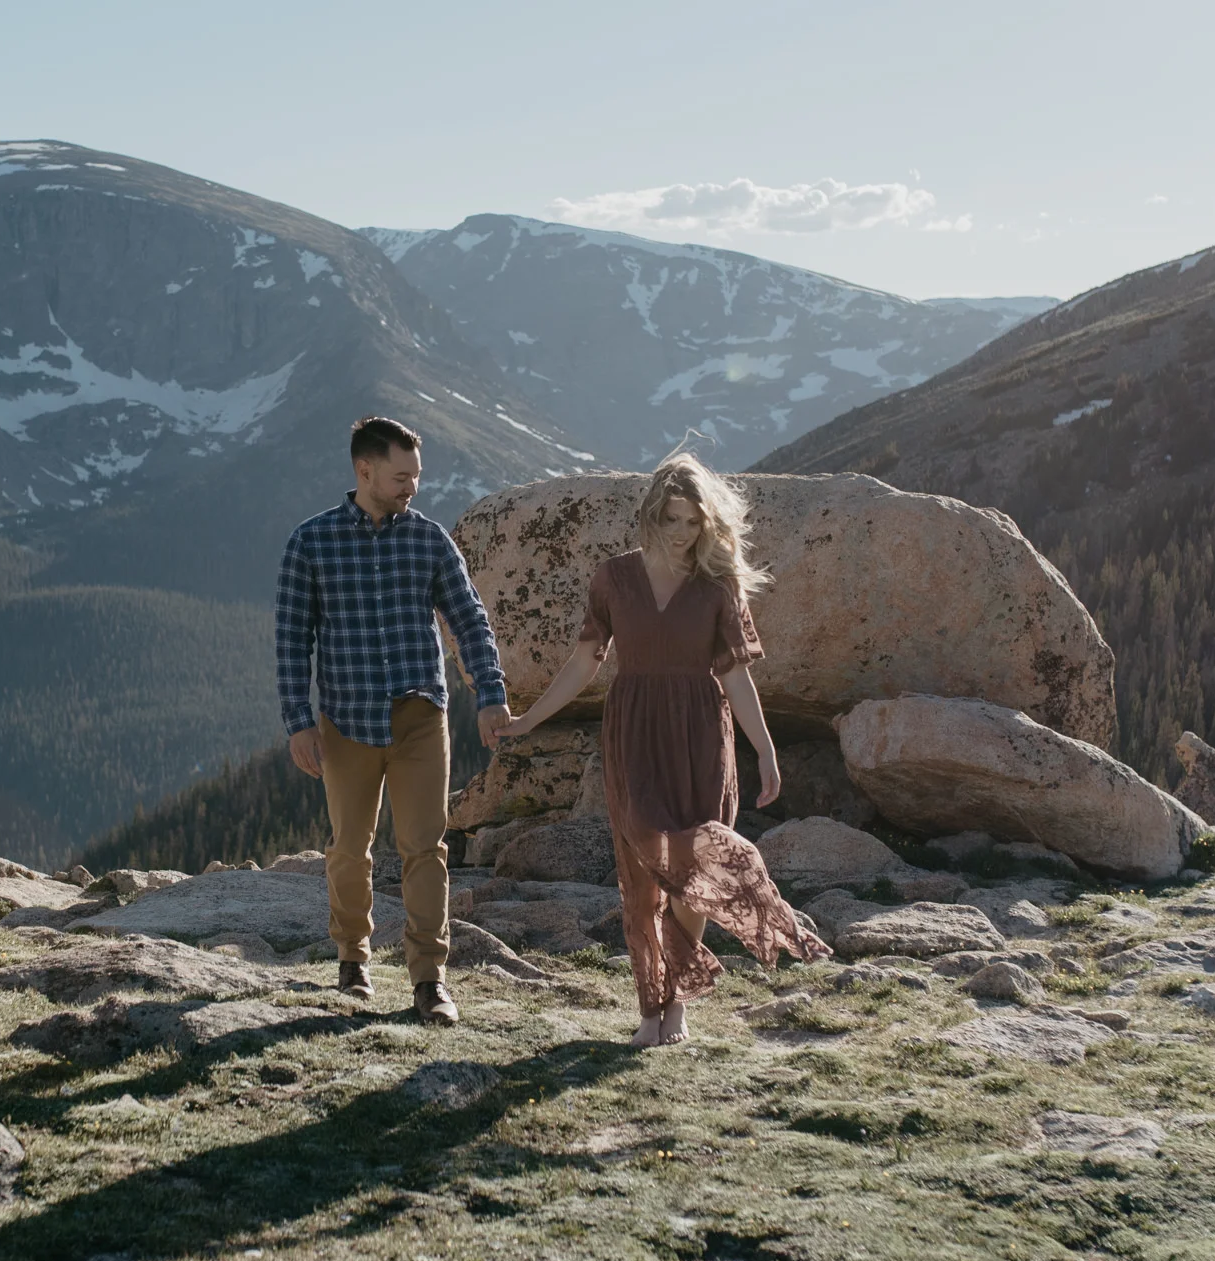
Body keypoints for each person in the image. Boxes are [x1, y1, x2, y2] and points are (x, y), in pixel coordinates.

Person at [498, 453, 829, 1047]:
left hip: (701, 733)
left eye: (693, 522)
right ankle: (650, 1002)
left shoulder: (717, 585)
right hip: (634, 733)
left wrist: (766, 749)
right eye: (672, 519)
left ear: (708, 522)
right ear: (651, 514)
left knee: (692, 867)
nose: (682, 533)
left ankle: (674, 1005)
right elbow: (583, 662)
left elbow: (736, 677)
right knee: (643, 873)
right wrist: (527, 721)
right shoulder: (613, 578)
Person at [275, 415, 513, 1025]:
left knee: (425, 849)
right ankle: (352, 962)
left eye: (417, 475)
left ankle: (430, 981)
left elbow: (470, 619)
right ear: (365, 470)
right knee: (349, 849)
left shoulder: (429, 540)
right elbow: (292, 640)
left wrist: (489, 692)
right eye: (401, 476)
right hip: (346, 720)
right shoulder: (311, 542)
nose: (413, 486)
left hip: (419, 718)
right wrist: (298, 721)